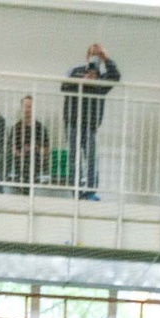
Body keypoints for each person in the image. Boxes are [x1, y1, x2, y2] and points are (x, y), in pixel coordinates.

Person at [60, 42, 120, 201]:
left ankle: (90, 191)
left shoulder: (101, 78)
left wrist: (106, 58)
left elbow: (115, 77)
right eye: (92, 54)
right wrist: (82, 82)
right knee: (74, 159)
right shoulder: (75, 71)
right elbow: (64, 87)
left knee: (92, 157)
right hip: (72, 122)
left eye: (97, 55)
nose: (94, 58)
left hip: (91, 125)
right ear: (87, 57)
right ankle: (77, 192)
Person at [5, 95, 52, 193]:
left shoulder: (40, 128)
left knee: (31, 156)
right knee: (25, 159)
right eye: (25, 106)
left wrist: (35, 147)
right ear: (21, 108)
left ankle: (25, 187)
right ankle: (27, 187)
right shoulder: (16, 128)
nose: (27, 109)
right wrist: (20, 153)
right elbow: (11, 149)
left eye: (30, 106)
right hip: (20, 160)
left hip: (36, 160)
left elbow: (47, 151)